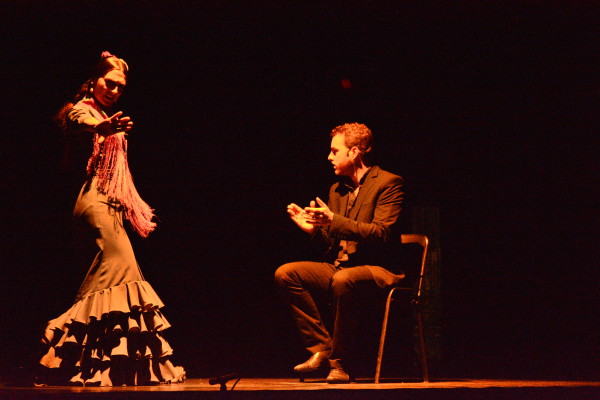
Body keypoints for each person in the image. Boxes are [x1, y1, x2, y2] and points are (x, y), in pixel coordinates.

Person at [36, 51, 185, 386]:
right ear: (94, 81)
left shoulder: (108, 114)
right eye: (109, 83)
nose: (115, 90)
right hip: (95, 205)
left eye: (120, 86)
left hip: (109, 206)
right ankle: (126, 364)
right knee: (126, 277)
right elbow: (77, 122)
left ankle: (83, 363)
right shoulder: (85, 111)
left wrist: (106, 124)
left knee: (106, 286)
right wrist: (99, 127)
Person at [274, 122, 405, 383]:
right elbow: (332, 246)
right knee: (287, 273)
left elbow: (381, 234)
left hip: (379, 270)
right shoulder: (338, 189)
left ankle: (340, 363)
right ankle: (322, 348)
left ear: (354, 152)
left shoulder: (389, 183)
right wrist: (313, 230)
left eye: (335, 151)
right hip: (342, 267)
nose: (329, 157)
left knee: (343, 280)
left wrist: (333, 220)